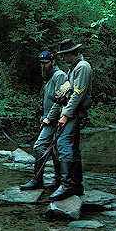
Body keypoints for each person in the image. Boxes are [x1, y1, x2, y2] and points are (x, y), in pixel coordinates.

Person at [49, 38, 93, 201]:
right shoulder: (74, 67)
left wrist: (65, 115)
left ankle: (67, 184)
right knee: (73, 147)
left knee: (64, 144)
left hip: (73, 113)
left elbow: (78, 93)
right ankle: (76, 185)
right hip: (70, 112)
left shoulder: (82, 67)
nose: (62, 58)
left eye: (63, 54)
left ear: (69, 53)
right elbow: (66, 91)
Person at [20, 51, 67, 190]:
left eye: (46, 63)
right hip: (48, 119)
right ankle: (58, 180)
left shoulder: (60, 76)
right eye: (42, 63)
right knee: (54, 150)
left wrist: (49, 118)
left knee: (40, 146)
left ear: (52, 62)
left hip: (55, 119)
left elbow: (60, 100)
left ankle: (37, 180)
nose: (43, 65)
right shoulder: (49, 77)